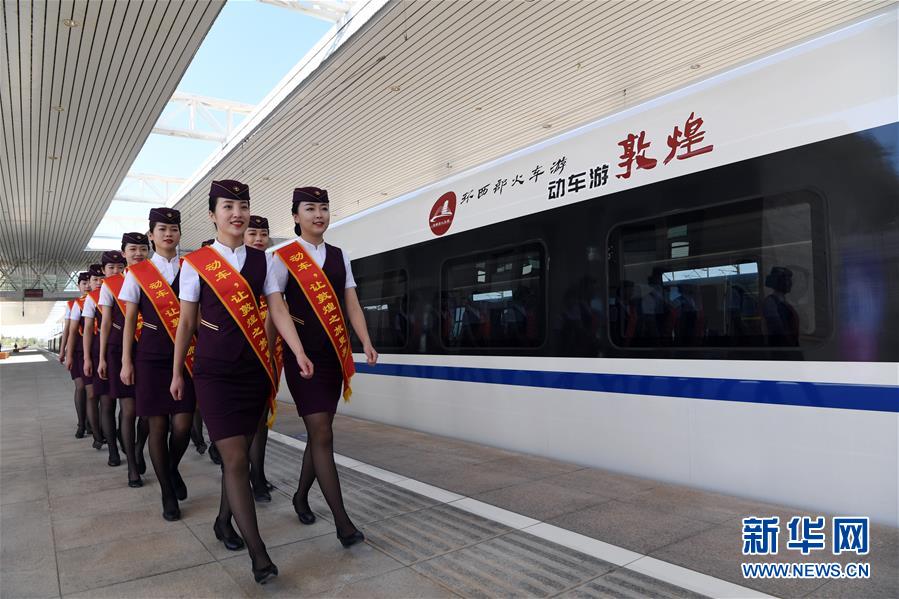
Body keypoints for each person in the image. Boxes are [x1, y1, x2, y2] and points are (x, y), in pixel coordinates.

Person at [170, 180, 278, 584]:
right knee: (235, 460)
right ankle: (259, 554)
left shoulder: (264, 262)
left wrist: (296, 352)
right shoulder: (196, 263)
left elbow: (277, 313)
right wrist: (178, 370)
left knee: (240, 457)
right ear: (213, 214)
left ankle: (222, 520)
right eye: (229, 205)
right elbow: (185, 321)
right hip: (214, 374)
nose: (238, 213)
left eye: (244, 205)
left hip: (253, 373)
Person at [264, 186, 377, 548]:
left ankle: (300, 496)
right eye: (310, 208)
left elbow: (352, 305)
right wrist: (275, 354)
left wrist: (366, 341)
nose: (319, 215)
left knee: (320, 432)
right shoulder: (282, 257)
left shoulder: (340, 256)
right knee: (322, 434)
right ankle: (343, 524)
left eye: (324, 208)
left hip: (332, 356)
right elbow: (275, 310)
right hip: (303, 358)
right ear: (295, 216)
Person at [120, 209, 196, 520]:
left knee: (183, 425)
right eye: (162, 229)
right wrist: (126, 361)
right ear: (151, 235)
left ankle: (171, 467)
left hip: (186, 356)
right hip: (150, 357)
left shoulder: (192, 268)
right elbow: (128, 322)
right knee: (158, 426)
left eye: (173, 229)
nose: (168, 234)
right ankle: (167, 491)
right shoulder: (137, 274)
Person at [104, 233, 151, 487]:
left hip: (149, 351)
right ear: (124, 253)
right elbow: (106, 323)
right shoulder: (112, 285)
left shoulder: (157, 279)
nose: (138, 254)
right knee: (130, 409)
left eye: (143, 249)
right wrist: (102, 358)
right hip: (122, 351)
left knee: (147, 414)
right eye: (133, 249)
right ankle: (132, 467)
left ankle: (136, 446)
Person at [244, 215, 277, 501]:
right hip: (243, 357)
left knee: (261, 419)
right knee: (244, 425)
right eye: (252, 233)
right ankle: (246, 476)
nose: (258, 239)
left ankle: (259, 475)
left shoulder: (272, 267)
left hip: (269, 357)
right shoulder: (233, 271)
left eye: (263, 234)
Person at [82, 252, 126, 466]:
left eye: (120, 267)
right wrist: (91, 358)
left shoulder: (133, 285)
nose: (116, 272)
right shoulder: (93, 297)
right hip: (105, 351)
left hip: (128, 351)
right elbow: (89, 329)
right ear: (102, 270)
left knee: (128, 407)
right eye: (111, 268)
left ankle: (124, 439)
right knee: (107, 403)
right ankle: (112, 450)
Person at [79, 264, 105, 446]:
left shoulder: (117, 294)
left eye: (98, 279)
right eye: (93, 280)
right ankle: (94, 432)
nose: (96, 283)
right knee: (91, 395)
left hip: (107, 351)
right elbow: (75, 331)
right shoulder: (80, 303)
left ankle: (103, 429)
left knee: (105, 398)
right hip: (88, 351)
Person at [63, 272, 90, 435]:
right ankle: (81, 423)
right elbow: (69, 330)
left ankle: (92, 422)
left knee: (93, 391)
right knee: (81, 387)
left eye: (89, 282)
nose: (87, 286)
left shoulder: (101, 299)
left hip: (94, 350)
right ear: (78, 286)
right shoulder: (73, 304)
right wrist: (65, 352)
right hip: (78, 350)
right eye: (84, 283)